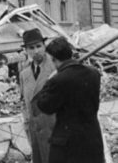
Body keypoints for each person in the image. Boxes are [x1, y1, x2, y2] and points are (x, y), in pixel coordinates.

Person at [35, 37, 104, 163]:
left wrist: (47, 82)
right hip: (92, 139)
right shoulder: (94, 73)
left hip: (67, 144)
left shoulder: (58, 80)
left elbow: (44, 106)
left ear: (53, 59)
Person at [18, 28, 56, 163]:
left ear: (44, 46)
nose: (36, 51)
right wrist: (27, 125)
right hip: (35, 132)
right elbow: (25, 102)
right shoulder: (24, 74)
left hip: (54, 130)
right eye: (31, 48)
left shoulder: (55, 68)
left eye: (39, 46)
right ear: (26, 50)